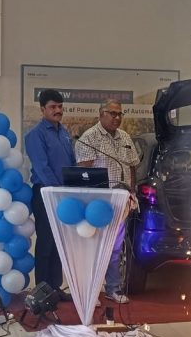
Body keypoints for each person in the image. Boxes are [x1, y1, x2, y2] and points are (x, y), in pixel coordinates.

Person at [75, 99, 141, 304]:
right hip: (98, 204)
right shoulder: (89, 138)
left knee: (115, 248)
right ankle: (91, 291)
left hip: (121, 201)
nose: (117, 117)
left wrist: (132, 191)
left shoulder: (125, 137)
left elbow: (132, 166)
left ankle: (113, 288)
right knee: (95, 248)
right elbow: (84, 173)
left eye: (120, 113)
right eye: (112, 113)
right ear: (101, 114)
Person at [23, 89, 76, 295]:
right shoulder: (35, 135)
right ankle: (42, 291)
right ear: (42, 109)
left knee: (58, 243)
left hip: (63, 195)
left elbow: (71, 163)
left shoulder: (64, 132)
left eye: (60, 107)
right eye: (53, 107)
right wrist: (58, 190)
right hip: (45, 193)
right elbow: (42, 167)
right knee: (46, 242)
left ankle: (55, 288)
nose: (58, 110)